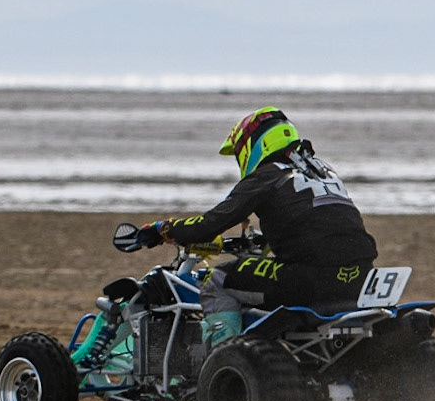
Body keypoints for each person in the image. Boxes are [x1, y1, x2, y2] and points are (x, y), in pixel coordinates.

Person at [137, 107, 378, 347]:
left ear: (256, 144)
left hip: (308, 278)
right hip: (360, 277)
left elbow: (208, 225)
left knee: (217, 279)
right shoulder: (323, 172)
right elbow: (316, 226)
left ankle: (222, 363)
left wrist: (163, 229)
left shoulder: (267, 174)